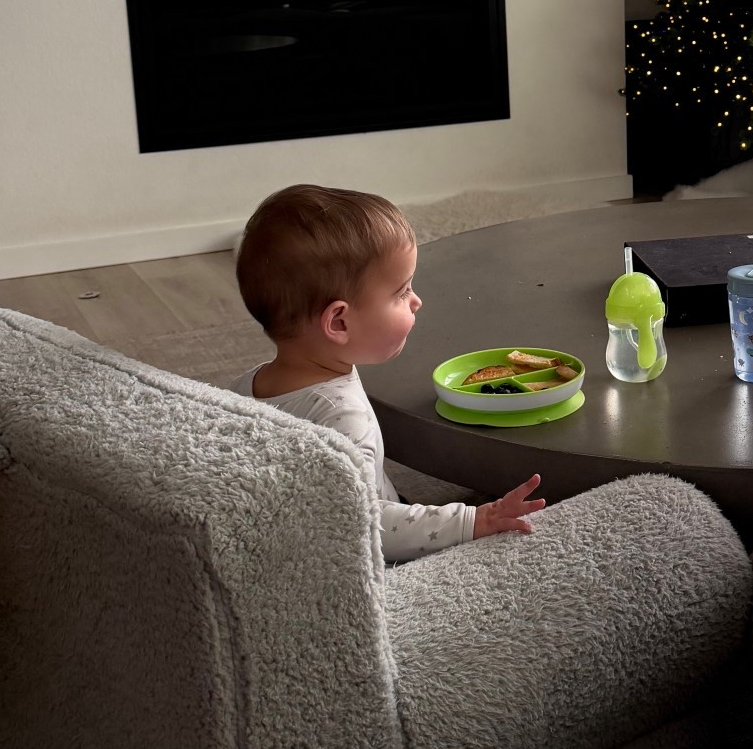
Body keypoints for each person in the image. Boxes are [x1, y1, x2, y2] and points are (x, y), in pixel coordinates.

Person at [231, 183, 544, 563]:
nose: (416, 300)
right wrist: (475, 520)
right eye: (401, 292)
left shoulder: (242, 386)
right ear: (339, 322)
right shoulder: (344, 418)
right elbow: (366, 525)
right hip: (381, 567)